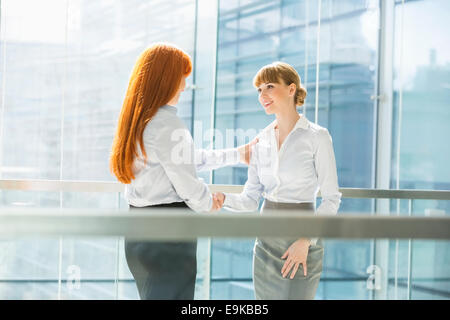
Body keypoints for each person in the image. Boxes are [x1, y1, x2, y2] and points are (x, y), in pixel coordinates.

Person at [109, 43, 256, 300]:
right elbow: (187, 184)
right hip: (168, 235)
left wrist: (237, 154)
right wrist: (209, 203)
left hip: (139, 233)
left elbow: (183, 161)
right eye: (181, 78)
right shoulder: (166, 123)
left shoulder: (142, 119)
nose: (184, 86)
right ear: (166, 80)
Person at [214, 61, 342, 300]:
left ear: (291, 89)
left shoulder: (317, 137)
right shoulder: (261, 141)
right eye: (259, 90)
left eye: (270, 86)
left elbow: (332, 198)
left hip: (303, 237)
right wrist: (223, 199)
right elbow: (251, 199)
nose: (262, 95)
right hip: (266, 240)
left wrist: (305, 241)